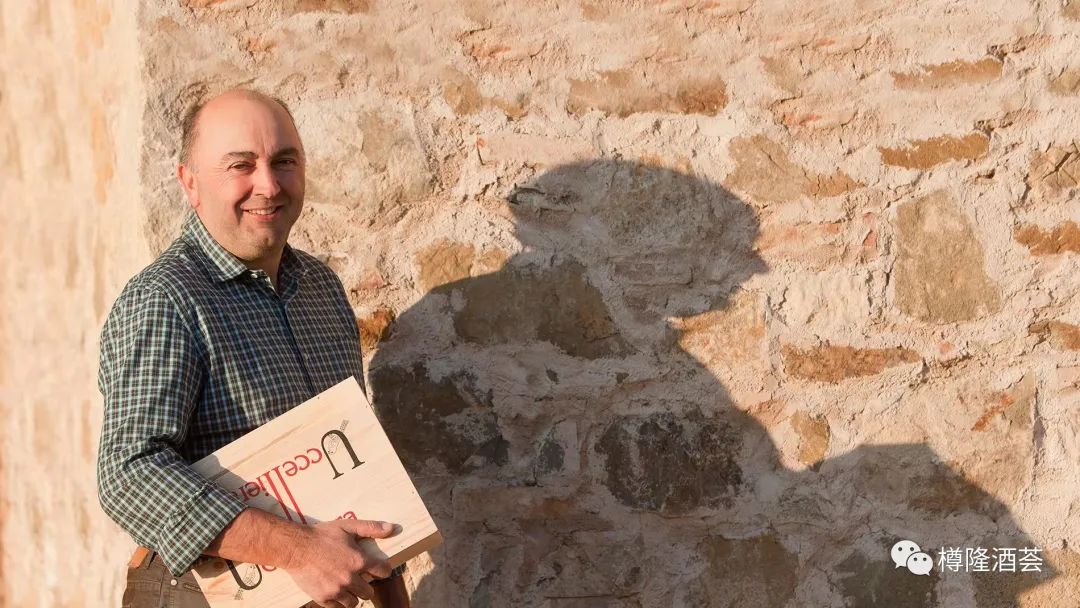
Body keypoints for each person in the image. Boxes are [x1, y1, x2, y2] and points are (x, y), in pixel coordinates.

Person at [97, 88, 404, 608]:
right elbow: (129, 474)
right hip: (201, 594)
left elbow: (357, 464)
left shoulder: (320, 289)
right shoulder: (166, 298)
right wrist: (299, 550)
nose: (268, 184)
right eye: (241, 165)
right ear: (190, 182)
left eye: (284, 161)